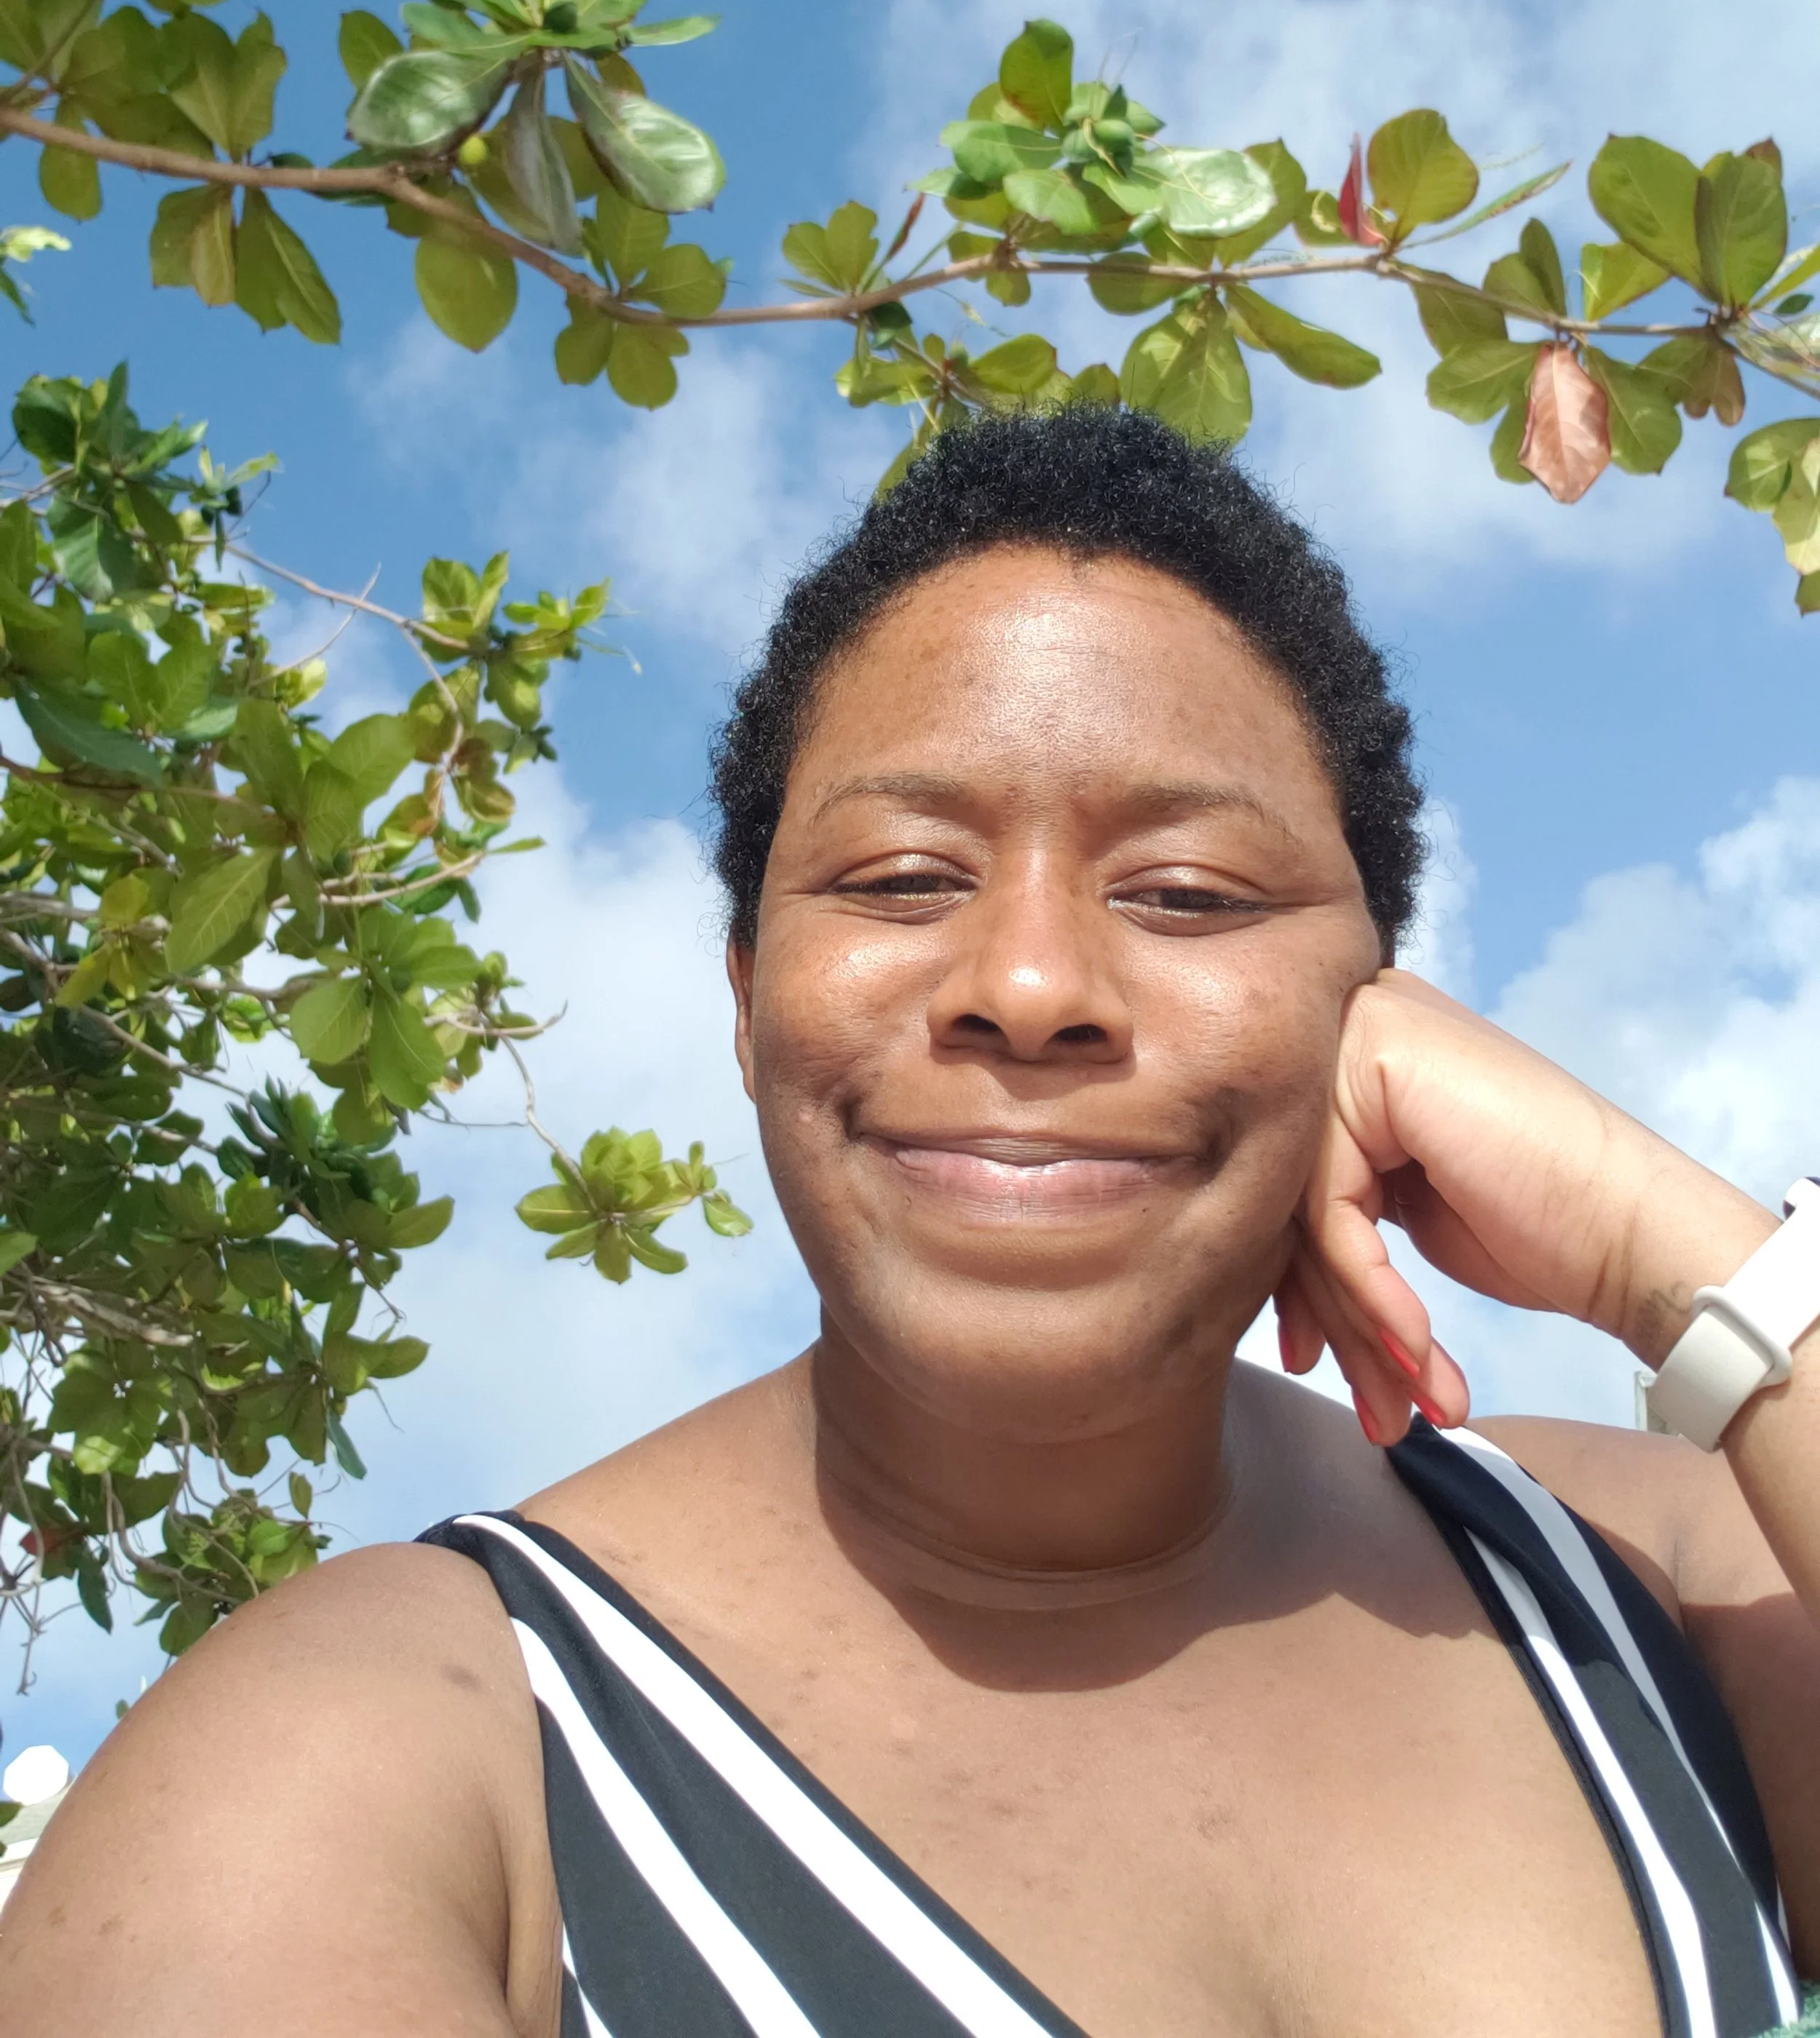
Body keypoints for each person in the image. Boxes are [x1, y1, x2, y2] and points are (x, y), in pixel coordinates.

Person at [4, 403, 1817, 2038]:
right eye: (898, 878)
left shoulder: (1664, 1570)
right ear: (745, 991)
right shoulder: (375, 1757)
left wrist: (1680, 1255)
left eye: (1184, 891)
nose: (1027, 983)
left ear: (1380, 1001)